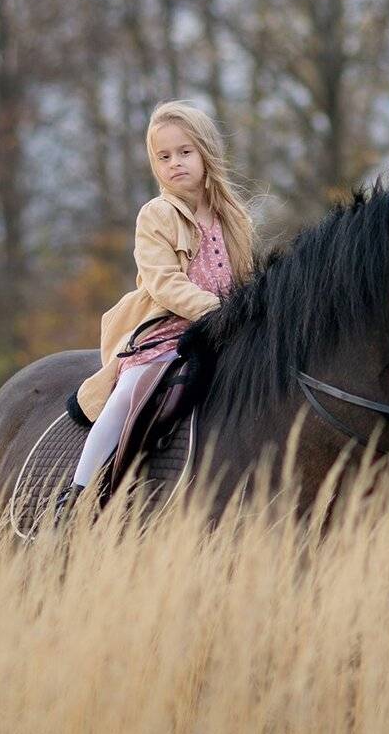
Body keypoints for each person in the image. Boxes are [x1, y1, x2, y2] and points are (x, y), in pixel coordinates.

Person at [55, 101, 255, 524]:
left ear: (205, 152)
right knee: (130, 392)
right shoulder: (157, 215)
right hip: (167, 332)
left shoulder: (233, 218)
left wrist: (249, 313)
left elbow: (246, 278)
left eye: (184, 152)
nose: (174, 163)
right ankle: (75, 498)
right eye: (163, 157)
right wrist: (219, 310)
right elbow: (164, 283)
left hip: (227, 330)